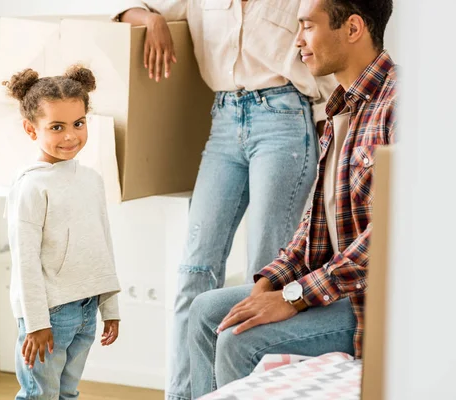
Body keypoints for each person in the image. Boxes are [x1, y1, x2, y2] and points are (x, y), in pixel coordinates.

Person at [112, 2, 337, 399]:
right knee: (193, 272)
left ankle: (246, 393)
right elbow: (123, 8)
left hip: (285, 119)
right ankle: (184, 395)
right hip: (223, 119)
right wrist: (151, 18)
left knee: (264, 276)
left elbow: (325, 48)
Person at [187, 0, 397, 396]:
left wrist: (296, 297)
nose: (297, 40)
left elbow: (389, 237)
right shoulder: (339, 108)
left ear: (353, 29)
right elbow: (314, 227)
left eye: (307, 27)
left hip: (372, 305)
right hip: (336, 292)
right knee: (204, 313)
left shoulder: (400, 105)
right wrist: (270, 283)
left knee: (239, 340)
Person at [4, 65, 121, 399]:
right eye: (57, 127)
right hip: (50, 315)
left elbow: (103, 244)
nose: (71, 136)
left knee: (68, 393)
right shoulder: (31, 187)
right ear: (31, 129)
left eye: (79, 123)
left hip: (86, 309)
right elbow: (25, 261)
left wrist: (109, 307)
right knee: (39, 395)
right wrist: (37, 322)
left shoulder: (91, 180)